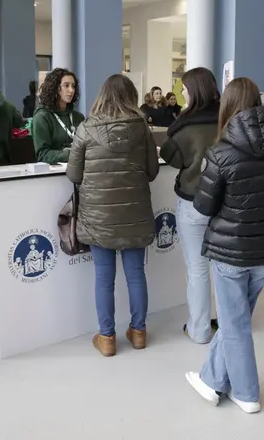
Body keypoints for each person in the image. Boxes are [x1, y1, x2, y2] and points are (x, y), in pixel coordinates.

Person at [184, 77, 264, 414]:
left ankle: (247, 394)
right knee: (238, 319)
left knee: (234, 324)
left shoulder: (220, 154)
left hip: (231, 252)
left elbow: (204, 207)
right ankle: (211, 379)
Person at [66, 74, 159, 357]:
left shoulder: (85, 128)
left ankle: (107, 338)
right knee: (136, 275)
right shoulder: (142, 128)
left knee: (103, 278)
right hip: (135, 214)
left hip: (98, 217)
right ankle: (139, 332)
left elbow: (73, 173)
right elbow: (153, 172)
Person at [159, 67, 221, 344]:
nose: (181, 92)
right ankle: (229, 324)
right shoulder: (228, 120)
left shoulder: (184, 127)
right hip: (226, 203)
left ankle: (199, 329)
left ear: (194, 91)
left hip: (193, 202)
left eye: (184, 88)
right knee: (225, 268)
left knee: (198, 269)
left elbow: (171, 157)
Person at [32, 68, 86, 164]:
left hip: (78, 169)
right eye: (66, 85)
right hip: (53, 174)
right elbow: (42, 154)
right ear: (55, 88)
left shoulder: (78, 117)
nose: (71, 90)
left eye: (73, 86)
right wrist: (70, 154)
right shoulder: (42, 117)